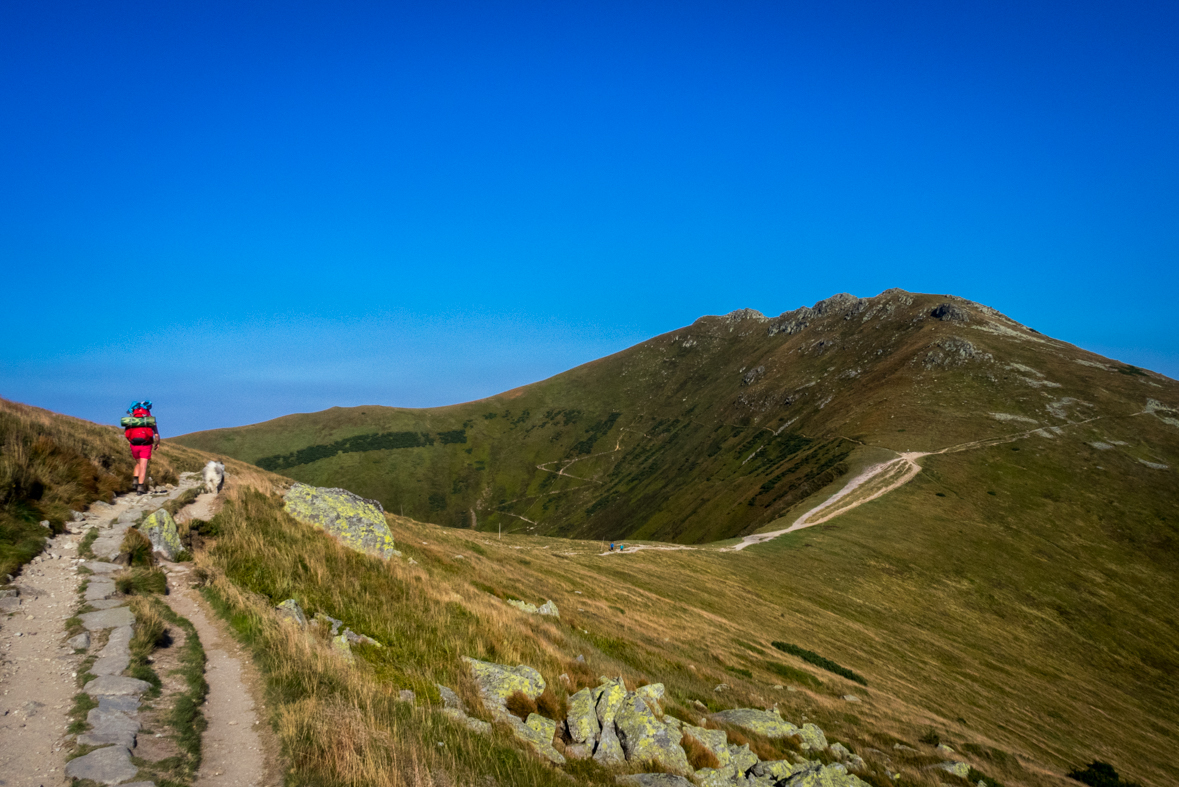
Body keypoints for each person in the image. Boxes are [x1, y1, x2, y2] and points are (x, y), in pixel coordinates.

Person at [124, 400, 160, 495]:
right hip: (146, 444)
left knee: (138, 463)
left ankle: (135, 480)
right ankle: (140, 488)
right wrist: (157, 443)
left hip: (133, 444)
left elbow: (127, 434)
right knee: (143, 465)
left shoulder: (132, 419)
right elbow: (156, 434)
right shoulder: (149, 419)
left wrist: (131, 441)